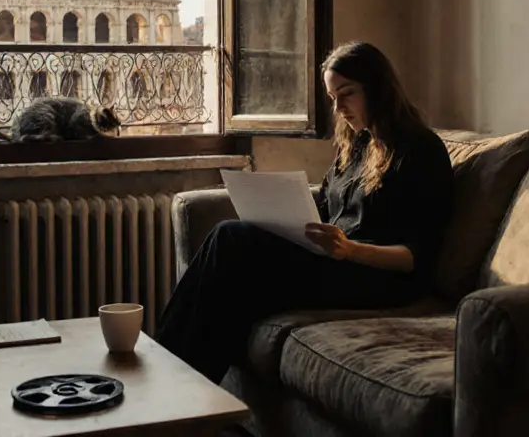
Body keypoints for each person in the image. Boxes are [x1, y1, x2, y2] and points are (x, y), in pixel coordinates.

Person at [155, 41, 455, 383]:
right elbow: (324, 209)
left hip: (379, 277)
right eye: (332, 98)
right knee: (232, 267)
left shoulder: (421, 150)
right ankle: (175, 379)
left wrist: (350, 249)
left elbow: (416, 258)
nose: (339, 107)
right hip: (335, 263)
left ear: (378, 89)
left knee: (231, 240)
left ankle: (174, 384)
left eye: (347, 93)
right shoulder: (358, 144)